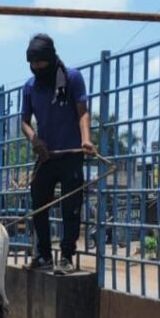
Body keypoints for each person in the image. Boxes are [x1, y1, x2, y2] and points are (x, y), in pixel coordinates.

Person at [21, 33, 95, 275]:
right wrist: (35, 140)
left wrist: (86, 139)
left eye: (40, 63)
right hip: (46, 156)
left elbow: (82, 112)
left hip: (71, 154)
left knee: (71, 207)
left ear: (51, 59)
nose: (37, 68)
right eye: (33, 64)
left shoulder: (72, 78)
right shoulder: (30, 87)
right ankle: (43, 255)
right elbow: (24, 122)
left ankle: (66, 257)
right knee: (38, 203)